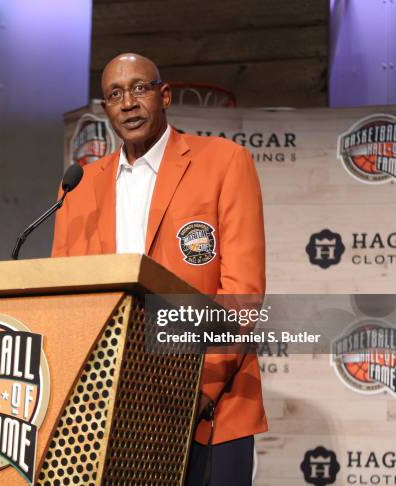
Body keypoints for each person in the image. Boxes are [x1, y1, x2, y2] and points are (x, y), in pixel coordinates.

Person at [52, 53, 267, 485]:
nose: (128, 103)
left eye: (139, 88)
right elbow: (64, 300)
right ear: (106, 108)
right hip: (109, 413)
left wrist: (195, 391)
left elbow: (243, 292)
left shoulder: (224, 162)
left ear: (164, 94)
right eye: (115, 94)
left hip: (210, 407)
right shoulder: (77, 186)